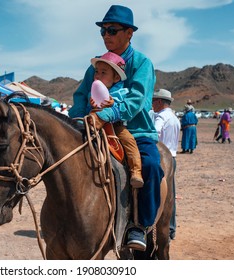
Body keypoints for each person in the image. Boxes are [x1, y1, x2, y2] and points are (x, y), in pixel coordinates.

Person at [68, 5, 164, 251]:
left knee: (151, 165)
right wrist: (79, 118)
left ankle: (139, 226)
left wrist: (106, 115)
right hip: (95, 127)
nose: (106, 35)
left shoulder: (142, 63)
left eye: (112, 30)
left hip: (135, 131)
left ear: (129, 33)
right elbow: (80, 97)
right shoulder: (96, 66)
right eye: (103, 31)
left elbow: (136, 101)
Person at [90, 51, 144, 188]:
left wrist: (113, 103)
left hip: (116, 126)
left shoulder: (121, 92)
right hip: (94, 121)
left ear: (115, 78)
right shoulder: (93, 90)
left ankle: (136, 171)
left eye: (103, 72)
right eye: (97, 72)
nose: (98, 75)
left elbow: (121, 107)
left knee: (128, 140)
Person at [151, 89, 181, 240]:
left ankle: (157, 225)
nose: (152, 104)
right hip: (172, 157)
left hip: (162, 158)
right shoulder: (174, 118)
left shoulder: (160, 117)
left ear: (159, 102)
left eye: (154, 101)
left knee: (157, 193)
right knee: (170, 195)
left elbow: (154, 134)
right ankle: (171, 228)